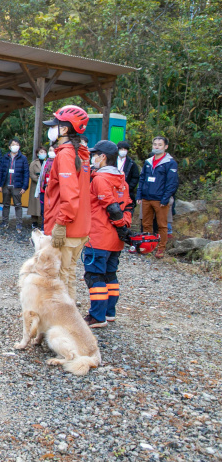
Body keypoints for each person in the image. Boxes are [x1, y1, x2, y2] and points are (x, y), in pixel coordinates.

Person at [43, 105, 91, 302]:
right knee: (68, 275)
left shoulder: (65, 154)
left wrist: (61, 224)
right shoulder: (81, 152)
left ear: (64, 130)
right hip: (80, 226)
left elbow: (69, 195)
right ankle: (70, 323)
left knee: (61, 279)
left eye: (55, 125)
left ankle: (64, 326)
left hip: (68, 227)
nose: (51, 129)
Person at [83, 140, 133, 328]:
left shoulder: (100, 179)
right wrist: (124, 227)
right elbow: (128, 205)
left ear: (103, 157)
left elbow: (112, 207)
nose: (92, 158)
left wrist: (121, 225)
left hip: (99, 237)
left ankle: (97, 316)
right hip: (115, 240)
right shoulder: (121, 179)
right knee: (110, 275)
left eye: (95, 155)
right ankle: (109, 312)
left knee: (94, 276)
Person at [136, 136, 178, 259]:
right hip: (146, 198)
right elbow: (142, 179)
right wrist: (139, 195)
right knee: (146, 224)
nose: (157, 146)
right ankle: (148, 246)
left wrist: (165, 199)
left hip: (160, 199)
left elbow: (172, 183)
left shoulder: (170, 162)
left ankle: (161, 249)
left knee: (162, 225)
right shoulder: (148, 162)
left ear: (165, 147)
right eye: (155, 144)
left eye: (160, 144)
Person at [0, 138, 29, 232]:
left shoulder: (23, 158)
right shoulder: (5, 157)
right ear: (9, 146)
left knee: (18, 205)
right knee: (5, 205)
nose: (15, 146)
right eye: (13, 144)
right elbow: (1, 171)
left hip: (17, 186)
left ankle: (19, 224)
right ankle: (4, 222)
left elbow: (26, 173)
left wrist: (24, 186)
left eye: (17, 144)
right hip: (6, 185)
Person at [116, 141, 140, 210]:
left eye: (125, 149)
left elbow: (135, 177)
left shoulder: (131, 163)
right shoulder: (112, 161)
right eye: (121, 149)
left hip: (126, 190)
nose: (123, 151)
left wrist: (129, 187)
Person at [28, 147, 47, 229]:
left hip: (45, 186)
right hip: (36, 186)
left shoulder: (48, 162)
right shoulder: (34, 163)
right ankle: (34, 222)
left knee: (44, 204)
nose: (43, 153)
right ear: (38, 154)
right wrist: (39, 180)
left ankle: (43, 221)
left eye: (44, 152)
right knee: (34, 205)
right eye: (41, 152)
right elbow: (31, 174)